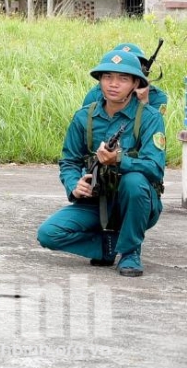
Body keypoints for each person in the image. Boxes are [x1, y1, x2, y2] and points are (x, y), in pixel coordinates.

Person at [37, 49, 165, 277]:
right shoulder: (84, 117)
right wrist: (74, 185)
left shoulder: (149, 118)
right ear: (100, 81)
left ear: (136, 83)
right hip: (97, 201)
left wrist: (119, 159)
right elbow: (69, 161)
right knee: (49, 234)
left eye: (123, 79)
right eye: (107, 77)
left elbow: (155, 168)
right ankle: (107, 247)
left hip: (137, 203)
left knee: (134, 182)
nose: (113, 84)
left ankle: (130, 253)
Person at [81, 43, 167, 115]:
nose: (114, 84)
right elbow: (86, 122)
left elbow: (153, 125)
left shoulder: (157, 96)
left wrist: (144, 102)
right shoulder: (96, 93)